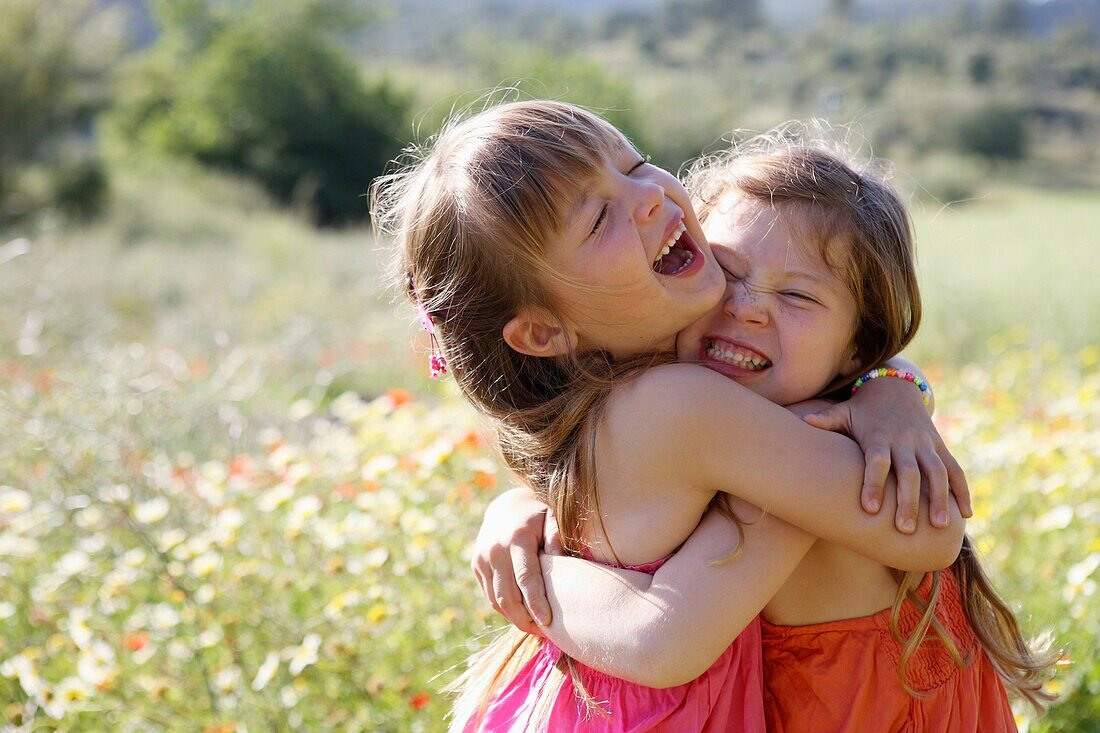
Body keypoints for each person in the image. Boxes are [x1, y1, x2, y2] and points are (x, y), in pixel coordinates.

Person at [371, 100, 969, 732]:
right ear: (545, 332)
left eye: (637, 164)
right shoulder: (680, 403)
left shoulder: (609, 403)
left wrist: (888, 385)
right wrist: (848, 411)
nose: (648, 197)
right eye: (600, 218)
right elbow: (929, 532)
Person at [475, 136, 1056, 731]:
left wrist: (893, 386)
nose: (747, 307)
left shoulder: (804, 439)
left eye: (799, 295)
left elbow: (933, 530)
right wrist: (519, 506)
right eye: (724, 273)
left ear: (857, 346)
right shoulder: (691, 407)